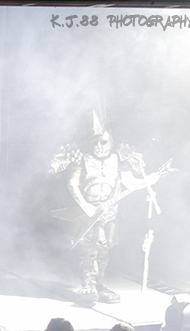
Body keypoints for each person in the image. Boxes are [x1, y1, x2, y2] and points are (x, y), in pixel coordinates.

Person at [52, 111, 171, 305]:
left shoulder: (117, 161)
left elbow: (131, 182)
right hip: (88, 211)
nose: (98, 146)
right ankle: (88, 284)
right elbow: (72, 184)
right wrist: (85, 206)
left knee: (104, 246)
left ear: (112, 141)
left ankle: (99, 283)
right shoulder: (83, 159)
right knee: (88, 247)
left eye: (103, 142)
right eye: (96, 142)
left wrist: (152, 178)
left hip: (109, 213)